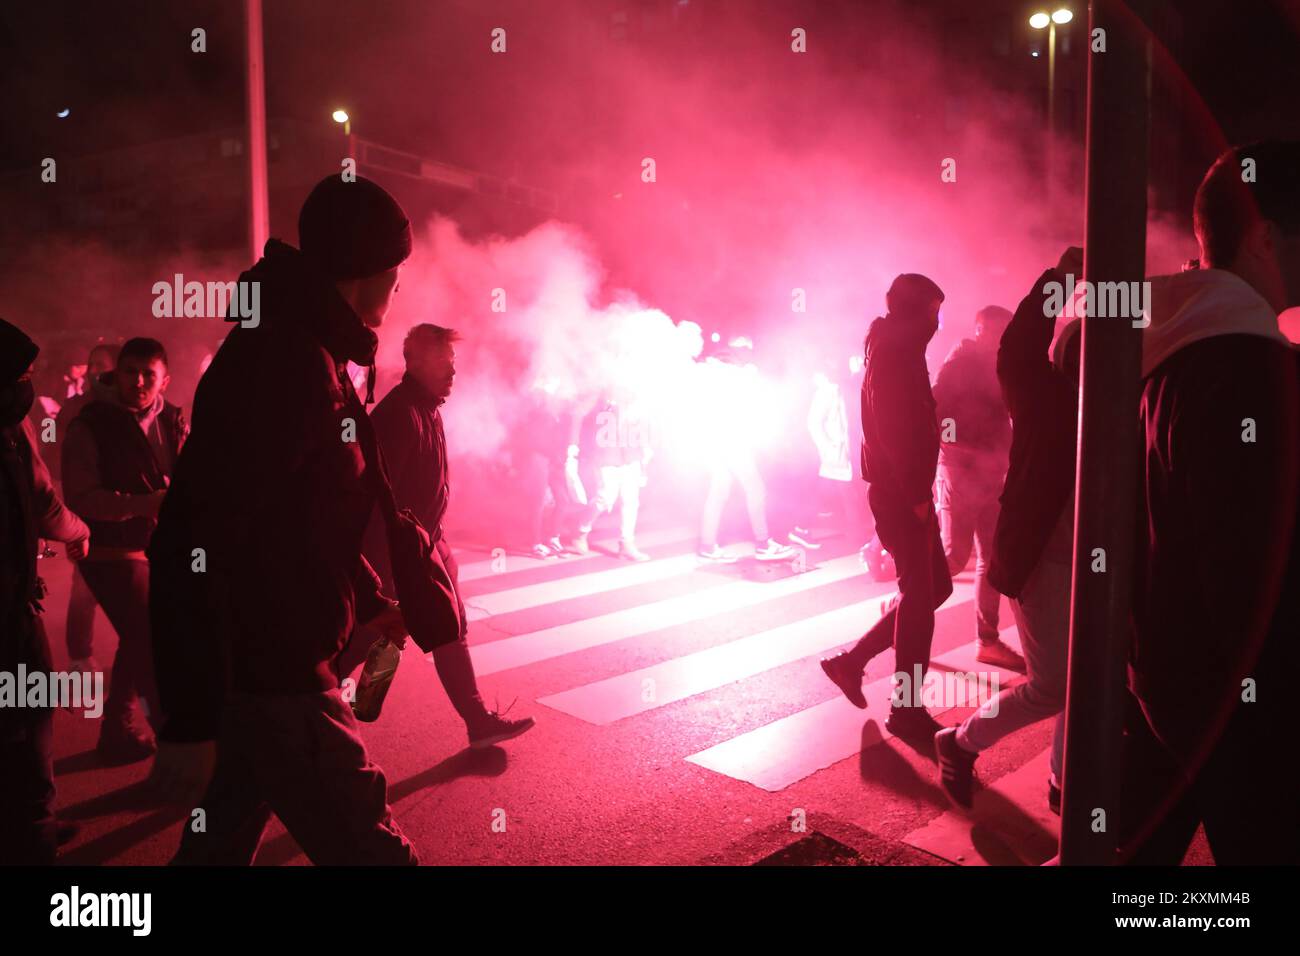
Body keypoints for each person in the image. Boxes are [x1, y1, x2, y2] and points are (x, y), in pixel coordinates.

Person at [147, 174, 419, 865]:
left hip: (265, 669)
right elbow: (191, 536)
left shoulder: (304, 349)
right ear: (367, 273)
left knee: (219, 843)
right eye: (397, 275)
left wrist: (368, 598)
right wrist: (189, 716)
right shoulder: (287, 362)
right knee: (374, 856)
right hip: (278, 677)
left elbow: (298, 523)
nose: (398, 292)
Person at [1121, 141, 1300, 864]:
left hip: (1168, 681)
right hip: (1246, 714)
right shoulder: (1254, 373)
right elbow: (1259, 588)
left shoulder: (1176, 351)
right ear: (1263, 236)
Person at [337, 323, 535, 749]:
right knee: (375, 631)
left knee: (448, 625)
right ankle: (313, 698)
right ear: (415, 362)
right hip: (398, 549)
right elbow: (375, 497)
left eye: (453, 362)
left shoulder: (426, 408)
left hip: (427, 541)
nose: (453, 371)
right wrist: (383, 566)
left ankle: (477, 722)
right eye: (443, 361)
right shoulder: (397, 416)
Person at [933, 250, 1082, 810]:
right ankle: (960, 742)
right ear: (1068, 362)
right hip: (1045, 561)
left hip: (1095, 563)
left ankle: (1066, 785)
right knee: (1052, 686)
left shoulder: (1124, 404)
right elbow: (1020, 345)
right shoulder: (1049, 400)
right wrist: (1063, 275)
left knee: (1087, 676)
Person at [820, 274, 951, 743]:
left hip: (904, 491)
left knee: (933, 590)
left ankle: (850, 663)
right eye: (933, 311)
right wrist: (917, 495)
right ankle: (907, 708)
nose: (938, 322)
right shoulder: (895, 354)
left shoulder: (896, 348)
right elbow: (897, 432)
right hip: (901, 494)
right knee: (921, 597)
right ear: (915, 311)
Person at [62, 337, 185, 765]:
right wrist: (141, 505)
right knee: (150, 634)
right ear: (116, 374)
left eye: (147, 374)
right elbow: (80, 497)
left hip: (154, 548)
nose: (137, 382)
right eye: (129, 372)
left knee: (140, 636)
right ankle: (177, 744)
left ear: (163, 380)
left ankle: (117, 728)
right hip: (105, 550)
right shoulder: (90, 422)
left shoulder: (172, 419)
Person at [0, 318, 90, 864]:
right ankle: (32, 831)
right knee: (30, 711)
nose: (27, 387)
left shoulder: (14, 426)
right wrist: (80, 531)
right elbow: (44, 504)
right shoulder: (10, 430)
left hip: (13, 594)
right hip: (9, 610)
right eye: (21, 376)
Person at [932, 305, 1024, 671]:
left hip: (991, 474)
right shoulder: (958, 366)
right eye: (996, 333)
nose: (1002, 340)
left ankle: (987, 640)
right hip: (960, 472)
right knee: (954, 557)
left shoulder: (998, 366)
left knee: (991, 556)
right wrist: (965, 453)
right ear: (980, 330)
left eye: (1006, 333)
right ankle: (901, 611)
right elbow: (939, 420)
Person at [694, 342, 796, 563]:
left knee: (718, 491)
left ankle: (707, 545)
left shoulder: (707, 381)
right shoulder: (730, 380)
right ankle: (763, 543)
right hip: (731, 442)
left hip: (713, 444)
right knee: (755, 488)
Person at [55, 343, 115, 674]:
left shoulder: (127, 408)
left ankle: (136, 656)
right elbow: (58, 454)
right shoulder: (74, 408)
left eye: (102, 365)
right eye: (92, 364)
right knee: (84, 582)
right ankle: (80, 656)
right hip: (86, 510)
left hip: (123, 513)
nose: (95, 371)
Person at [567, 391, 654, 561]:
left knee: (631, 500)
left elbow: (644, 421)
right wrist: (574, 444)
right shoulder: (600, 394)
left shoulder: (636, 395)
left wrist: (646, 446)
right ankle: (580, 530)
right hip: (607, 454)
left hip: (631, 453)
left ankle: (626, 543)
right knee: (605, 498)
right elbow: (578, 414)